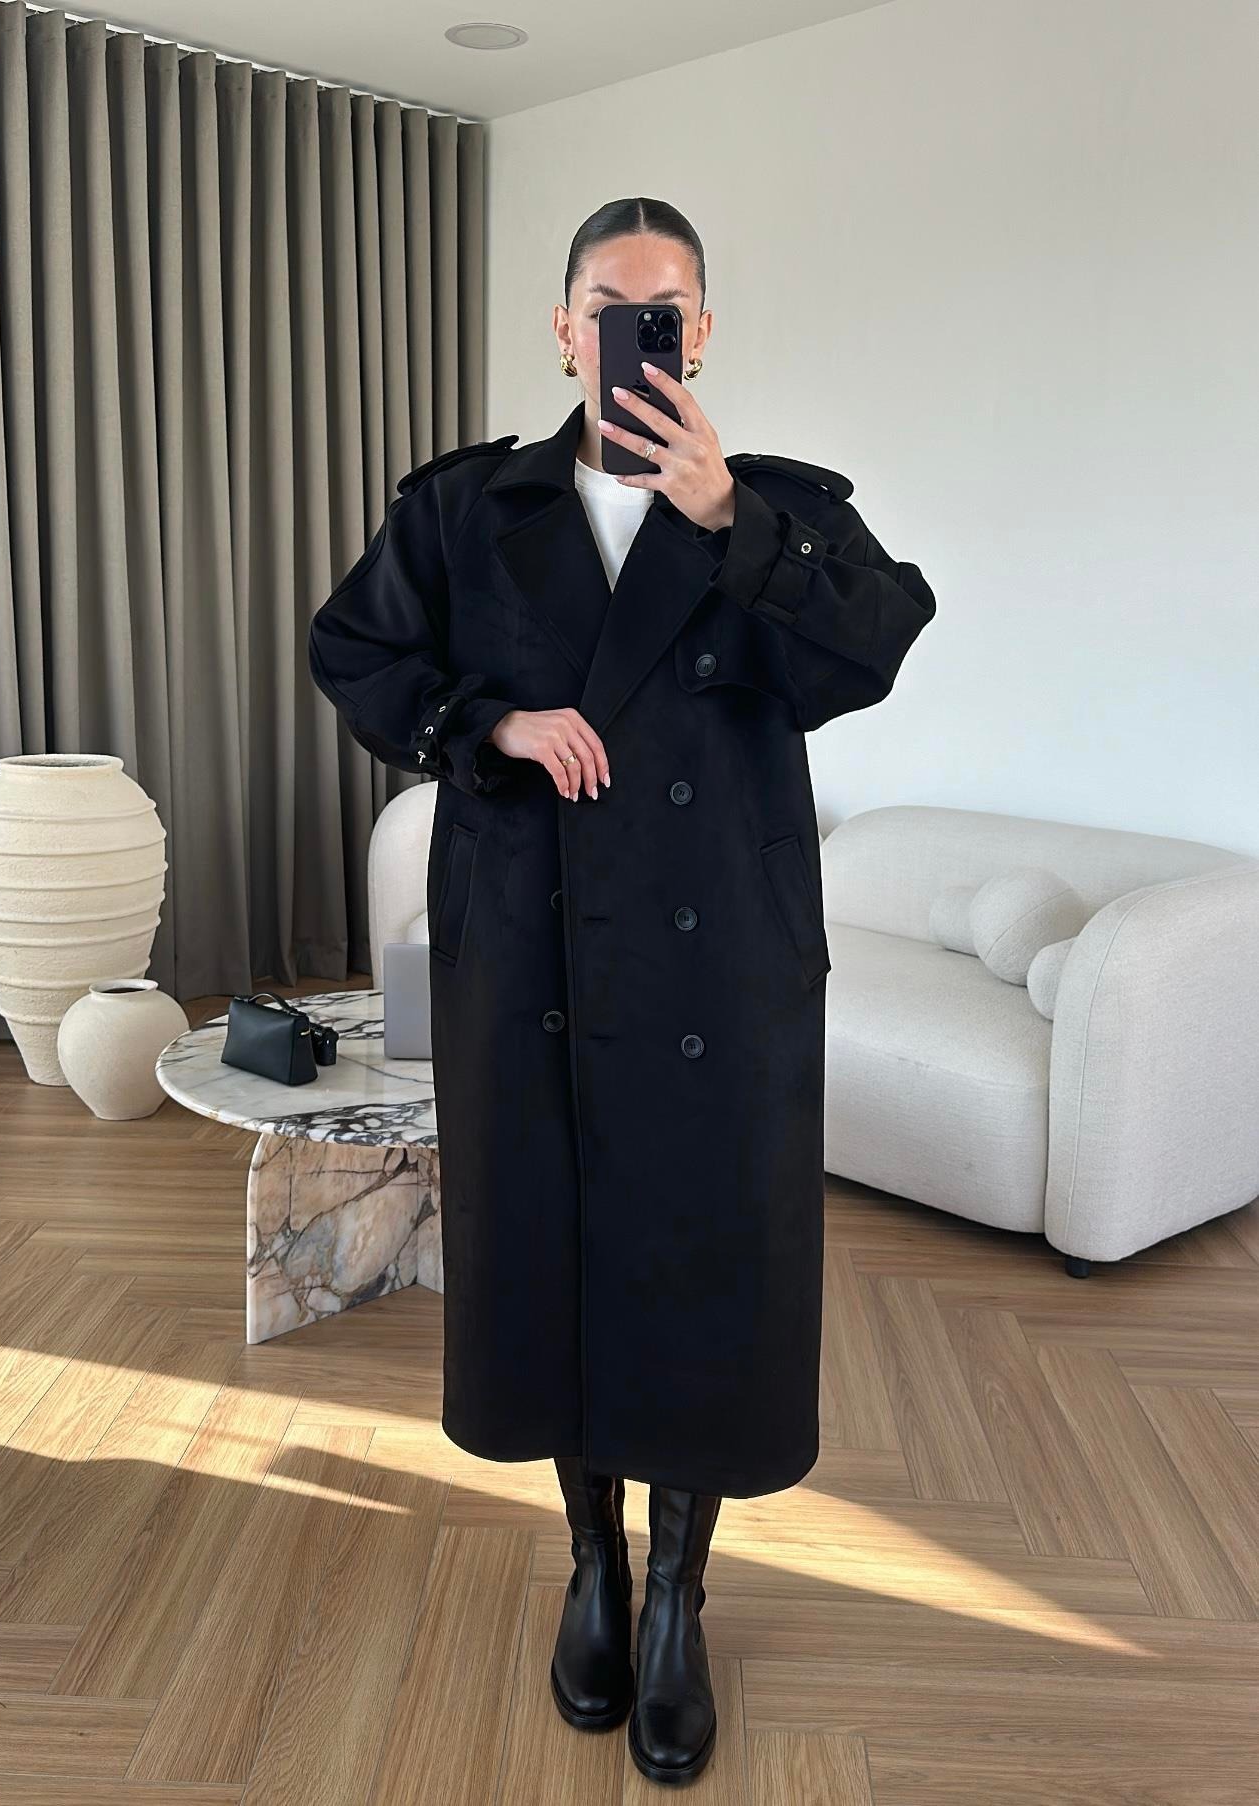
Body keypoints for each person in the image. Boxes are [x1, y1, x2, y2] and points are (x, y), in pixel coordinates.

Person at [307, 196, 937, 1786]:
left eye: (663, 305)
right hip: (527, 941)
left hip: (718, 958)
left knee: (696, 1265)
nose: (631, 329)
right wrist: (489, 727)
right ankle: (589, 1558)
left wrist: (729, 517)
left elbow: (872, 648)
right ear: (561, 324)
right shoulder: (468, 506)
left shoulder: (781, 508)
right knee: (549, 1252)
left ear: (700, 332)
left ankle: (675, 1598)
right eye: (605, 301)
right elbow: (356, 653)